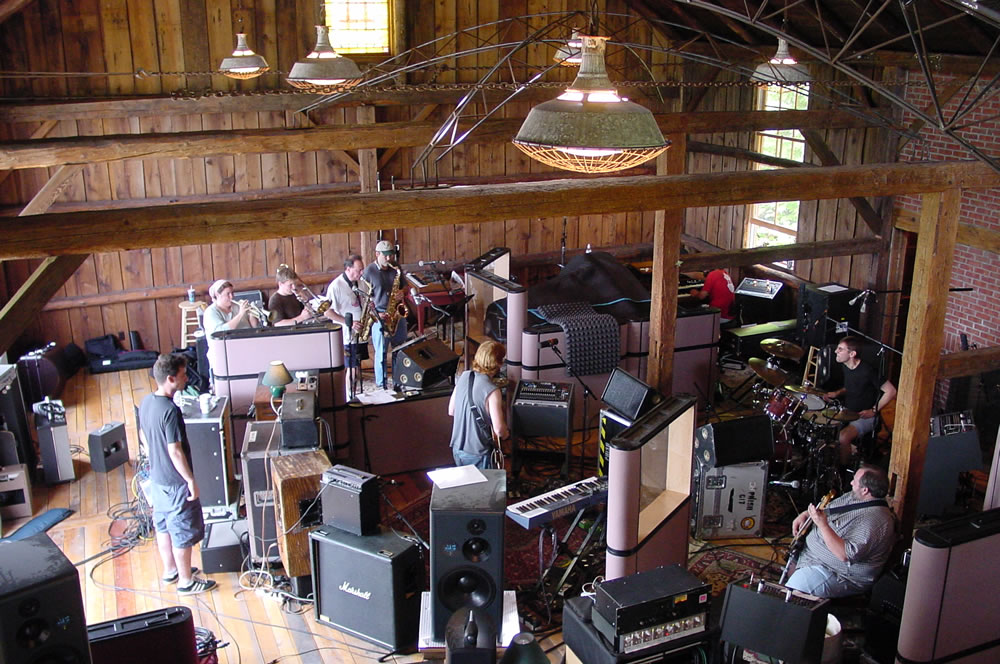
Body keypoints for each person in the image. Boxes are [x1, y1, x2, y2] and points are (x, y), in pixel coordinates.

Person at [138, 354, 217, 595]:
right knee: (182, 531)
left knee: (162, 526)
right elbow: (175, 451)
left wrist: (154, 454)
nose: (186, 378)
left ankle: (170, 570)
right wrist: (190, 480)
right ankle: (186, 581)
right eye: (182, 375)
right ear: (170, 379)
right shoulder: (170, 411)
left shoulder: (146, 402)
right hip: (175, 483)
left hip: (158, 479)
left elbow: (144, 436)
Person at [786, 464, 895, 598]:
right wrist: (806, 514)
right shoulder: (855, 496)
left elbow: (845, 555)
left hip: (836, 573)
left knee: (791, 597)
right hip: (812, 558)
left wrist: (823, 525)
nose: (851, 482)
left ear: (865, 490)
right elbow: (829, 510)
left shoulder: (875, 520)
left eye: (854, 481)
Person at [824, 336, 897, 464]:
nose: (836, 351)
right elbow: (852, 386)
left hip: (865, 416)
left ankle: (842, 472)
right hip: (849, 410)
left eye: (840, 349)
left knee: (843, 437)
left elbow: (891, 391)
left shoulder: (867, 370)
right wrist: (837, 393)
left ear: (852, 354)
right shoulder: (846, 366)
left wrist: (874, 410)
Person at [448, 340, 509, 469]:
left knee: (467, 486)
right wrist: (506, 434)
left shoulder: (464, 376)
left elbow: (451, 410)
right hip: (478, 452)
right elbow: (498, 429)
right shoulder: (493, 391)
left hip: (457, 448)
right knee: (484, 488)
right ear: (498, 363)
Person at [362, 240, 408, 389]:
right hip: (380, 316)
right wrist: (376, 314)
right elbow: (364, 297)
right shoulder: (369, 271)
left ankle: (398, 381)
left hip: (396, 314)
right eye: (386, 256)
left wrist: (402, 293)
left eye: (391, 255)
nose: (389, 259)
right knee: (381, 353)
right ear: (377, 254)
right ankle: (381, 385)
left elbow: (405, 286)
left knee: (399, 349)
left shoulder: (396, 268)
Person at [325, 254, 369, 397]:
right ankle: (349, 396)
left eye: (362, 270)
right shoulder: (336, 286)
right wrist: (347, 322)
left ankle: (355, 393)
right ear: (348, 269)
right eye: (358, 270)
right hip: (346, 335)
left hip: (360, 333)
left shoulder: (361, 283)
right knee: (352, 368)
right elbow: (327, 312)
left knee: (356, 366)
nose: (361, 273)